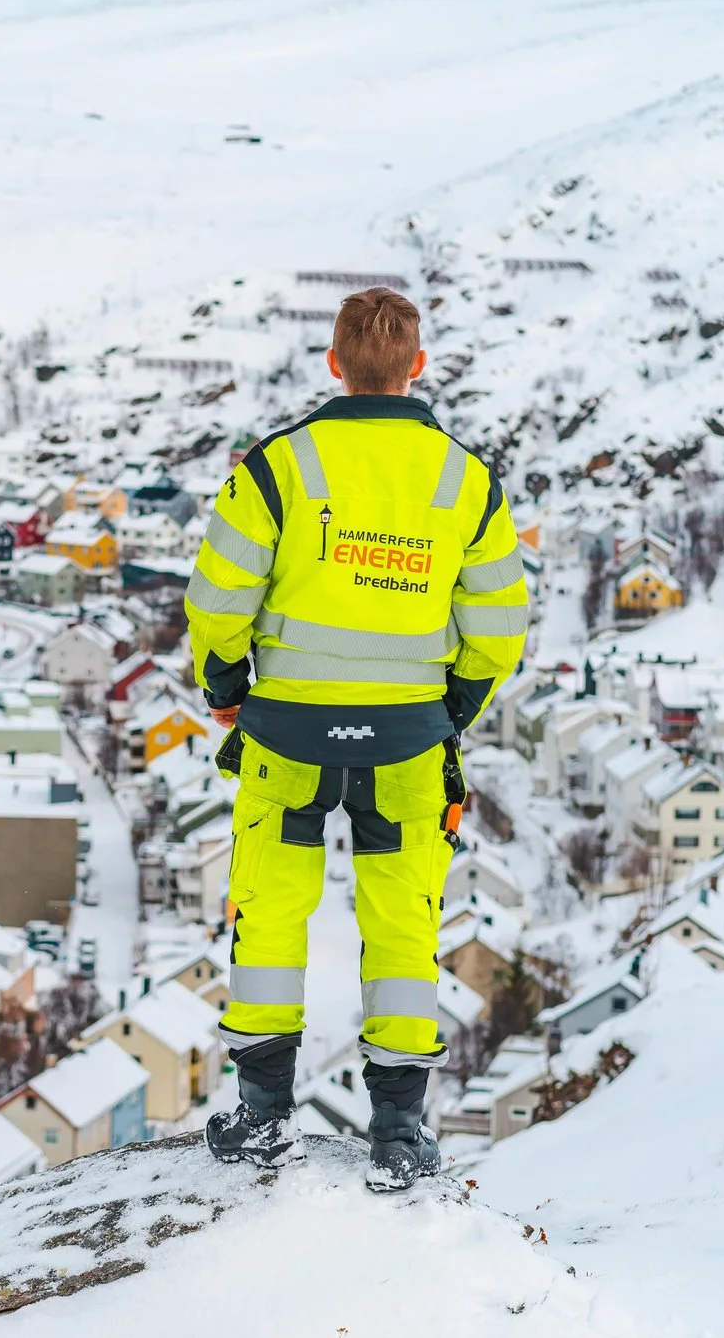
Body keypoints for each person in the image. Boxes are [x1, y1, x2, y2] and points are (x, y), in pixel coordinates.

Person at [185, 287, 529, 1190]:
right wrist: (448, 709)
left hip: (286, 733)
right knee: (402, 921)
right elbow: (497, 624)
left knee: (270, 908)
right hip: (409, 743)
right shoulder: (467, 481)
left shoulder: (278, 468)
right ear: (417, 366)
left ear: (333, 365)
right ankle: (399, 1131)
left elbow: (219, 600)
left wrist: (226, 686)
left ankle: (261, 1116)